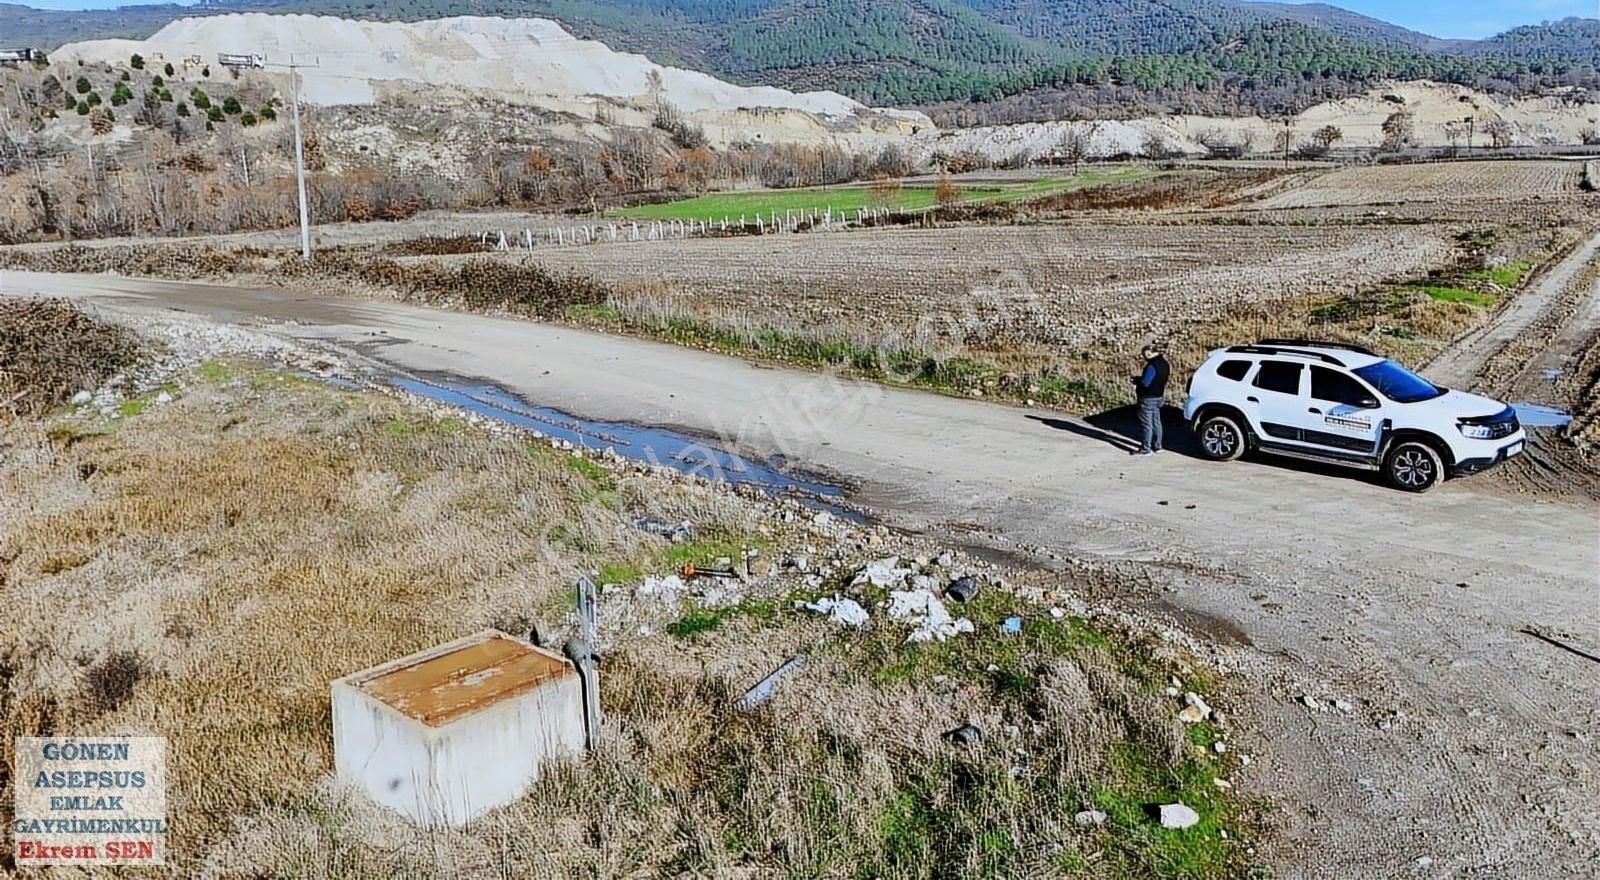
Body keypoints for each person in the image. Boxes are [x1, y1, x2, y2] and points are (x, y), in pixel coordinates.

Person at [1133, 344, 1169, 455]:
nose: (1144, 358)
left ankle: (1146, 448)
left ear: (1149, 353)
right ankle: (1158, 446)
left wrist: (1137, 381)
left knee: (1146, 424)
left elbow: (1145, 383)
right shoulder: (1165, 364)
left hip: (1147, 398)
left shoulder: (1151, 366)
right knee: (1156, 422)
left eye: (1144, 355)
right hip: (1159, 396)